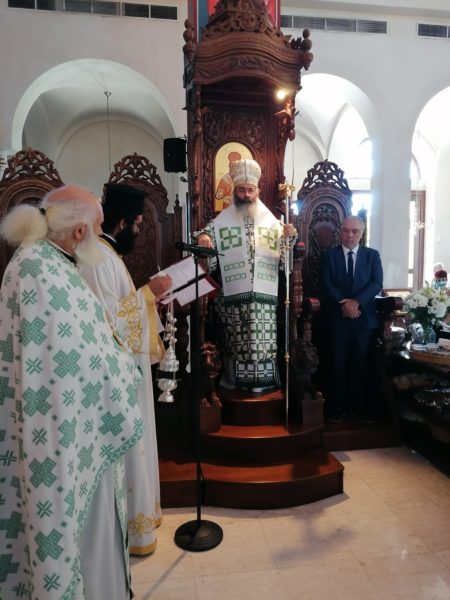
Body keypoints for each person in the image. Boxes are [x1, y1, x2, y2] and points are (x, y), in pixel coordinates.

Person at [0, 186, 144, 599]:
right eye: (97, 228)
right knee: (80, 537)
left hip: (78, 428)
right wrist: (122, 368)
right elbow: (65, 363)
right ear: (79, 230)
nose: (100, 235)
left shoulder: (48, 263)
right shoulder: (39, 271)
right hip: (66, 438)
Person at [79, 182, 171, 556]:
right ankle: (135, 527)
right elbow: (106, 321)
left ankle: (143, 519)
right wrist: (150, 294)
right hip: (118, 373)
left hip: (128, 368)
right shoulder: (99, 260)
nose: (137, 231)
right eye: (136, 224)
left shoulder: (107, 255)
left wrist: (149, 298)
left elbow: (121, 308)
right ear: (121, 223)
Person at [197, 158, 296, 392]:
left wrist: (289, 235)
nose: (246, 195)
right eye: (241, 190)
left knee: (262, 340)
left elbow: (285, 251)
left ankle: (263, 384)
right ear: (234, 191)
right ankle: (233, 381)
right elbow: (205, 233)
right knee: (235, 339)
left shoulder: (271, 220)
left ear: (257, 191)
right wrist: (204, 237)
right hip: (232, 293)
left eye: (250, 190)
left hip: (264, 296)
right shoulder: (223, 220)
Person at [319, 215, 383, 423]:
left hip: (363, 319)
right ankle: (337, 408)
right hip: (337, 318)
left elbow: (377, 283)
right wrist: (344, 304)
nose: (349, 235)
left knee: (360, 364)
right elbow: (326, 282)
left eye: (354, 231)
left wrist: (356, 303)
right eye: (346, 230)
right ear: (340, 231)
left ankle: (359, 409)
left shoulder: (372, 255)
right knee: (336, 364)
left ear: (361, 233)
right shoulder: (330, 256)